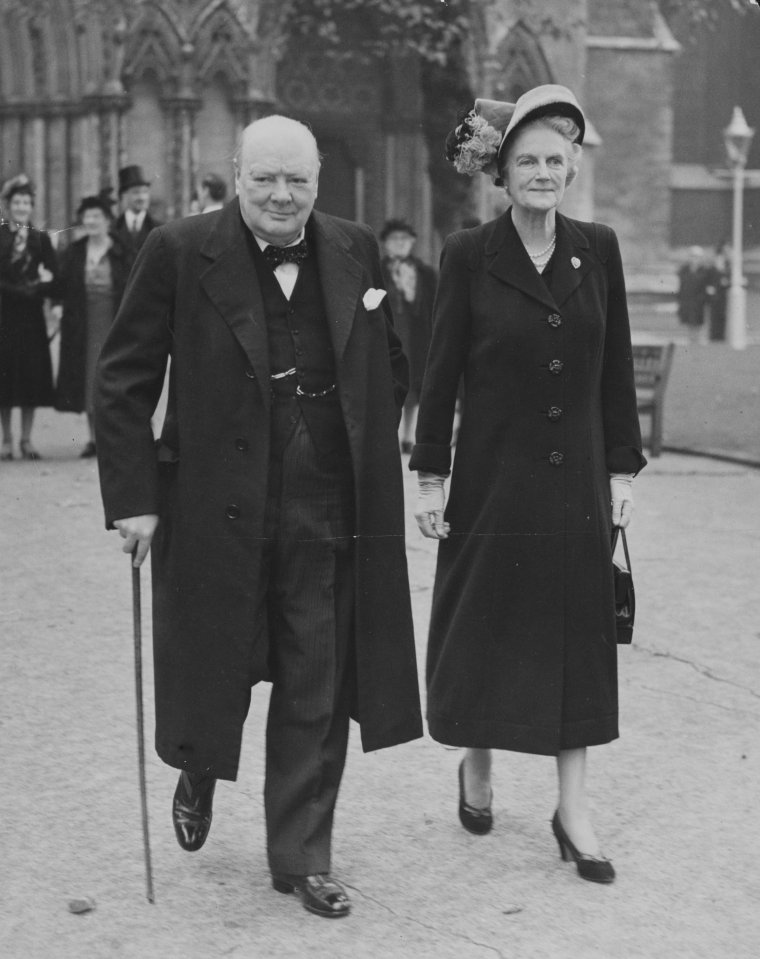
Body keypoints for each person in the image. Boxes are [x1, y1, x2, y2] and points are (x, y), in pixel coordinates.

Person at [94, 115, 422, 919]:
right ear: (237, 175)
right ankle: (200, 764)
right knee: (220, 659)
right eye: (265, 178)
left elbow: (391, 361)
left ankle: (303, 854)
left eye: (298, 180)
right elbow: (122, 379)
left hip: (323, 503)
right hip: (213, 499)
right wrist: (134, 499)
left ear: (319, 183)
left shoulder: (353, 249)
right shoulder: (178, 249)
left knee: (317, 670)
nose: (282, 195)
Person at [410, 85, 646, 884]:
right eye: (527, 161)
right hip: (491, 480)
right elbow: (439, 379)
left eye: (556, 160)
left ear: (572, 168)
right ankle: (477, 758)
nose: (543, 173)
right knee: (487, 623)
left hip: (576, 482)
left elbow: (615, 372)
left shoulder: (599, 247)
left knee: (579, 637)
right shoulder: (468, 255)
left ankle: (573, 808)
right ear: (501, 175)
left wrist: (621, 470)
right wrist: (430, 479)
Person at [52, 193, 131, 456]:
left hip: (113, 322)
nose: (92, 221)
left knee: (114, 380)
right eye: (87, 217)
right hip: (83, 324)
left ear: (108, 220)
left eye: (97, 216)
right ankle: (93, 439)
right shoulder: (75, 251)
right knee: (88, 379)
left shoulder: (121, 251)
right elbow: (60, 283)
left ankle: (112, 438)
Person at [0, 175, 57, 461]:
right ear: (7, 206)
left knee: (29, 376)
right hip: (4, 315)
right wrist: (14, 290)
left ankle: (26, 439)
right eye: (16, 202)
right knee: (5, 376)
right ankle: (6, 440)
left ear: (31, 206)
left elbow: (55, 275)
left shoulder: (39, 238)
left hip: (31, 316)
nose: (21, 207)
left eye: (26, 202)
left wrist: (37, 289)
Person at [379, 219, 436, 453]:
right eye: (394, 240)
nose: (400, 244)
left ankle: (409, 435)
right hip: (387, 334)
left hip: (414, 336)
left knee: (412, 382)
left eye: (405, 239)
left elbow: (432, 305)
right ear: (385, 244)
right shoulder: (376, 269)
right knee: (386, 382)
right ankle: (390, 433)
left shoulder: (424, 272)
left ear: (412, 242)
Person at [112, 165, 161, 263]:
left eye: (145, 192)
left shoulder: (160, 229)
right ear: (123, 196)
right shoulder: (112, 229)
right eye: (136, 193)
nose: (142, 197)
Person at [676, 245, 710, 344]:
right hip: (687, 300)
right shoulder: (684, 270)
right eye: (692, 256)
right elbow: (681, 285)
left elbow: (706, 285)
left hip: (699, 301)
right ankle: (691, 340)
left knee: (698, 322)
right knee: (689, 322)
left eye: (697, 257)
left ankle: (697, 340)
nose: (694, 259)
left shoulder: (704, 270)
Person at [704, 242, 730, 342]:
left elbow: (727, 281)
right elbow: (708, 280)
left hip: (722, 297)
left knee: (722, 316)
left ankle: (721, 336)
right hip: (714, 297)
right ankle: (714, 336)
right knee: (714, 317)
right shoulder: (712, 269)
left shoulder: (726, 268)